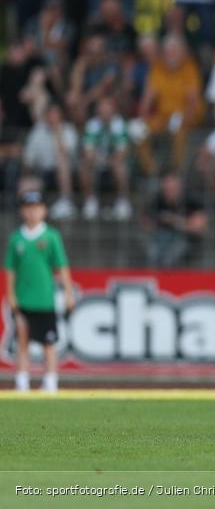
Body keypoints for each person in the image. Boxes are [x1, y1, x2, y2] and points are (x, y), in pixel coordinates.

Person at [6, 188, 75, 392]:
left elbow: (62, 267)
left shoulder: (51, 237)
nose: (32, 213)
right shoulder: (16, 239)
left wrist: (69, 292)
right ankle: (22, 380)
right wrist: (10, 295)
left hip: (45, 299)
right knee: (22, 339)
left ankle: (51, 380)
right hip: (23, 299)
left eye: (36, 208)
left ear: (44, 210)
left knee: (48, 342)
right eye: (28, 208)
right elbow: (10, 270)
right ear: (22, 211)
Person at [135, 35, 204, 174]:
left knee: (177, 130)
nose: (171, 56)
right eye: (168, 52)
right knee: (138, 131)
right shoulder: (157, 68)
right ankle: (153, 172)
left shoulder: (190, 68)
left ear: (183, 53)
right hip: (163, 117)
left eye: (175, 52)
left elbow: (193, 102)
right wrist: (143, 116)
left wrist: (180, 119)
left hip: (186, 116)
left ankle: (176, 173)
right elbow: (148, 97)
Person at [79, 96, 131, 221]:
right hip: (97, 160)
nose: (105, 112)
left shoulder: (120, 124)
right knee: (84, 165)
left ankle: (122, 201)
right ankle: (90, 200)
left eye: (108, 108)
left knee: (120, 166)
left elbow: (122, 152)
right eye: (102, 108)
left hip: (114, 161)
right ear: (98, 110)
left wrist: (111, 161)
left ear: (113, 109)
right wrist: (99, 160)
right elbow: (88, 152)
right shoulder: (92, 125)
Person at [145, 171, 207, 268]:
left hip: (185, 238)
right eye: (166, 186)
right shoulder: (158, 200)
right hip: (161, 237)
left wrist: (173, 220)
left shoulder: (191, 200)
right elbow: (146, 222)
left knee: (170, 257)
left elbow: (198, 228)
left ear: (179, 185)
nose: (169, 189)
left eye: (172, 186)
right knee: (152, 252)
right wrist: (157, 222)